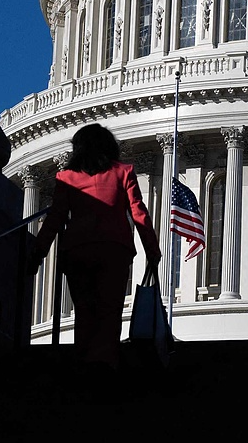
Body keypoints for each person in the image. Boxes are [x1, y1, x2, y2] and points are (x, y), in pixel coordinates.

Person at [27, 123, 162, 367]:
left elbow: (55, 218)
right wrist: (152, 249)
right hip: (114, 249)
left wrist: (38, 252)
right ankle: (106, 362)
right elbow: (139, 214)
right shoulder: (123, 172)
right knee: (110, 311)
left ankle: (85, 361)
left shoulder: (67, 177)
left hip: (78, 250)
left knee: (84, 311)